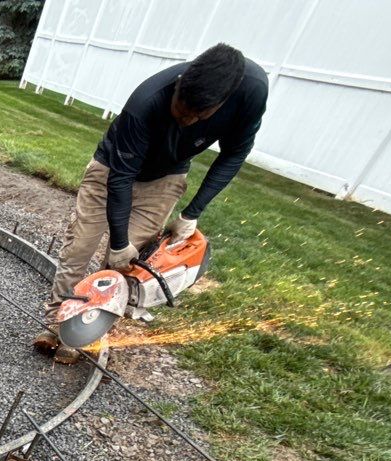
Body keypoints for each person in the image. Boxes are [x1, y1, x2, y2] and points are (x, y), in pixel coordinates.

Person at [36, 43, 267, 361]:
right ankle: (55, 323)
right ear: (180, 83)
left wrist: (192, 213)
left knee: (123, 267)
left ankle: (83, 332)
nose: (186, 119)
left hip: (166, 178)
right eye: (182, 108)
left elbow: (234, 154)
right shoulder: (147, 100)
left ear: (221, 104)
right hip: (113, 169)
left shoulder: (252, 94)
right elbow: (120, 178)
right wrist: (118, 241)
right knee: (79, 248)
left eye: (197, 115)